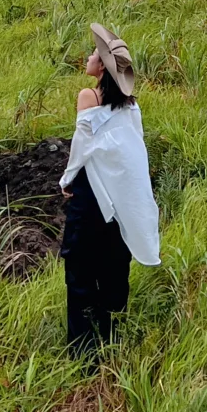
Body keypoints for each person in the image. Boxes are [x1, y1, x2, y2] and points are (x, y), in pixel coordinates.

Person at [59, 23, 160, 361]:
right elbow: (134, 153)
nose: (87, 57)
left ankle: (83, 353)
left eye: (93, 54)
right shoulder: (131, 106)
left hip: (91, 196)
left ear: (101, 66)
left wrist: (66, 180)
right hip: (118, 200)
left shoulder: (88, 97)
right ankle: (111, 339)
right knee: (112, 265)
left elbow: (82, 146)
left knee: (80, 269)